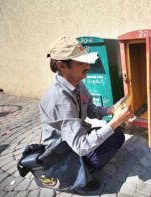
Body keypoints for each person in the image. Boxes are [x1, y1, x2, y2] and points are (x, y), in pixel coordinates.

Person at [39, 36, 131, 191]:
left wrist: (110, 110)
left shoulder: (76, 82)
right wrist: (114, 121)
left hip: (74, 139)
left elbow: (90, 108)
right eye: (80, 63)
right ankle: (77, 175)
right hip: (62, 152)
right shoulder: (59, 99)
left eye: (86, 60)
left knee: (115, 134)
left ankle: (83, 167)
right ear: (62, 66)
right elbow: (81, 146)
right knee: (112, 135)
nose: (88, 66)